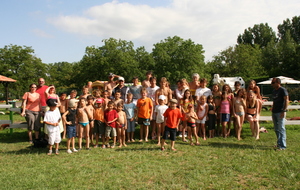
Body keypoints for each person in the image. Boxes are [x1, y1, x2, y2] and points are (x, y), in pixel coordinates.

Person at [271, 77, 289, 150]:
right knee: (276, 129)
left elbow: (286, 100)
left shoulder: (283, 90)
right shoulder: (274, 91)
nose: (271, 84)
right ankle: (279, 144)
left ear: (278, 83)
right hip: (274, 111)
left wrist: (284, 111)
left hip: (280, 112)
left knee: (281, 128)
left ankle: (283, 146)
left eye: (273, 83)